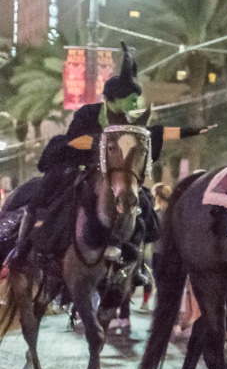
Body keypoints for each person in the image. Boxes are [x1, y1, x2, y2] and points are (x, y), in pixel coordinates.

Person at [8, 44, 209, 272]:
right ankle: (21, 249)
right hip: (77, 165)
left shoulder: (127, 122)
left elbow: (155, 132)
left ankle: (137, 262)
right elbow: (75, 140)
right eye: (132, 99)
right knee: (42, 195)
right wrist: (106, 142)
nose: (135, 104)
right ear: (116, 98)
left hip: (112, 173)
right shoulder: (88, 113)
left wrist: (192, 131)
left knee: (142, 201)